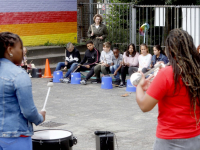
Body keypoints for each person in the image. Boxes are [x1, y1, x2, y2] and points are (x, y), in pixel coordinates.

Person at [136, 29, 200, 150]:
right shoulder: (197, 73)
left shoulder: (166, 74)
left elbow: (145, 106)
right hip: (195, 139)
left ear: (169, 50)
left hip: (168, 141)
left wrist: (140, 87)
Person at [0, 32, 46, 150]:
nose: (22, 52)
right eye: (20, 48)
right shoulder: (18, 74)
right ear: (10, 49)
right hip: (15, 137)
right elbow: (29, 111)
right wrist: (39, 117)